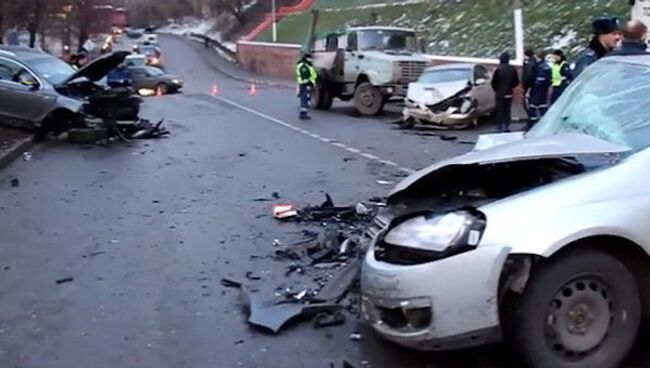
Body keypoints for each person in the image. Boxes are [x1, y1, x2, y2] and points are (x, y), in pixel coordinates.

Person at [490, 51, 519, 133]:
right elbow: (516, 82)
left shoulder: (498, 69)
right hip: (509, 92)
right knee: (507, 109)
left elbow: (494, 82)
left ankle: (500, 126)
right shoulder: (513, 69)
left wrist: (497, 90)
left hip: (500, 92)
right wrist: (511, 87)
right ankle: (507, 126)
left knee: (500, 109)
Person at [528, 48, 552, 129]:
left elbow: (539, 81)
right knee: (542, 107)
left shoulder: (541, 67)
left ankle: (533, 126)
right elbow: (550, 80)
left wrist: (532, 89)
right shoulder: (547, 66)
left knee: (533, 107)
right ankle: (544, 124)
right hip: (544, 90)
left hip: (538, 91)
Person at [295, 53, 317, 120]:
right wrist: (308, 82)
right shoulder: (303, 65)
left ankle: (304, 113)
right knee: (304, 98)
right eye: (309, 58)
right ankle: (303, 114)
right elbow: (304, 75)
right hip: (304, 84)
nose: (310, 60)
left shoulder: (306, 64)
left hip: (306, 84)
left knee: (306, 98)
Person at [521, 47, 537, 121]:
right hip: (533, 85)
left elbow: (528, 74)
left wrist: (525, 86)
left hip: (529, 86)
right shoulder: (534, 61)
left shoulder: (529, 63)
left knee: (527, 103)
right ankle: (532, 118)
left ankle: (531, 120)